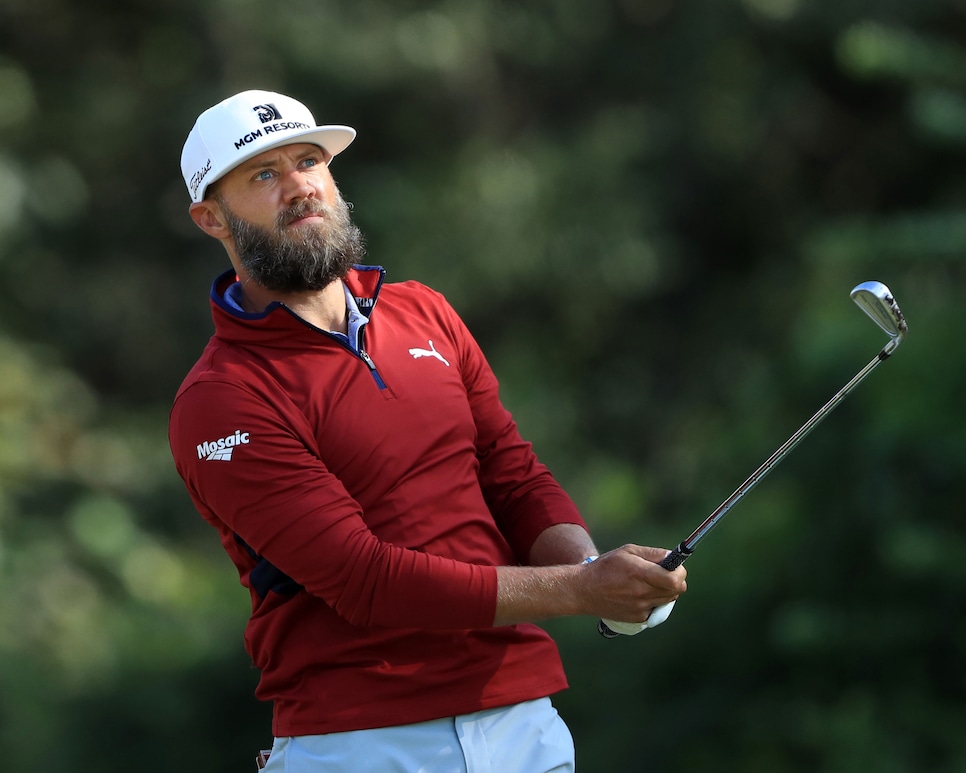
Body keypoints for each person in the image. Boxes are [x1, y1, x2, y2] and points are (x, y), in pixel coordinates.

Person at [168, 89, 687, 773]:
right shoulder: (220, 399)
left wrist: (595, 569)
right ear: (212, 218)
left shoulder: (424, 313)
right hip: (361, 741)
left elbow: (511, 471)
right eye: (264, 175)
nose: (299, 186)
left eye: (309, 160)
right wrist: (582, 590)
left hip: (522, 719)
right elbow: (365, 578)